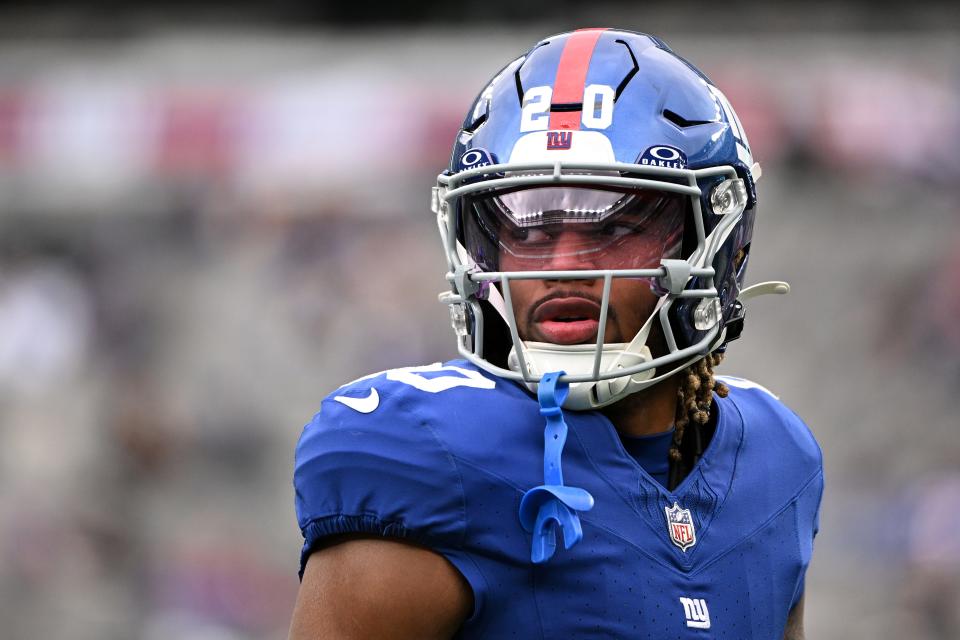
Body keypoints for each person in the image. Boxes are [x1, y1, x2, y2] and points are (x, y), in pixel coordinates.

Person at [289, 28, 822, 639]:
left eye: (614, 223)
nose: (563, 265)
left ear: (719, 243)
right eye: (530, 225)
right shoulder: (423, 453)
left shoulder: (780, 460)